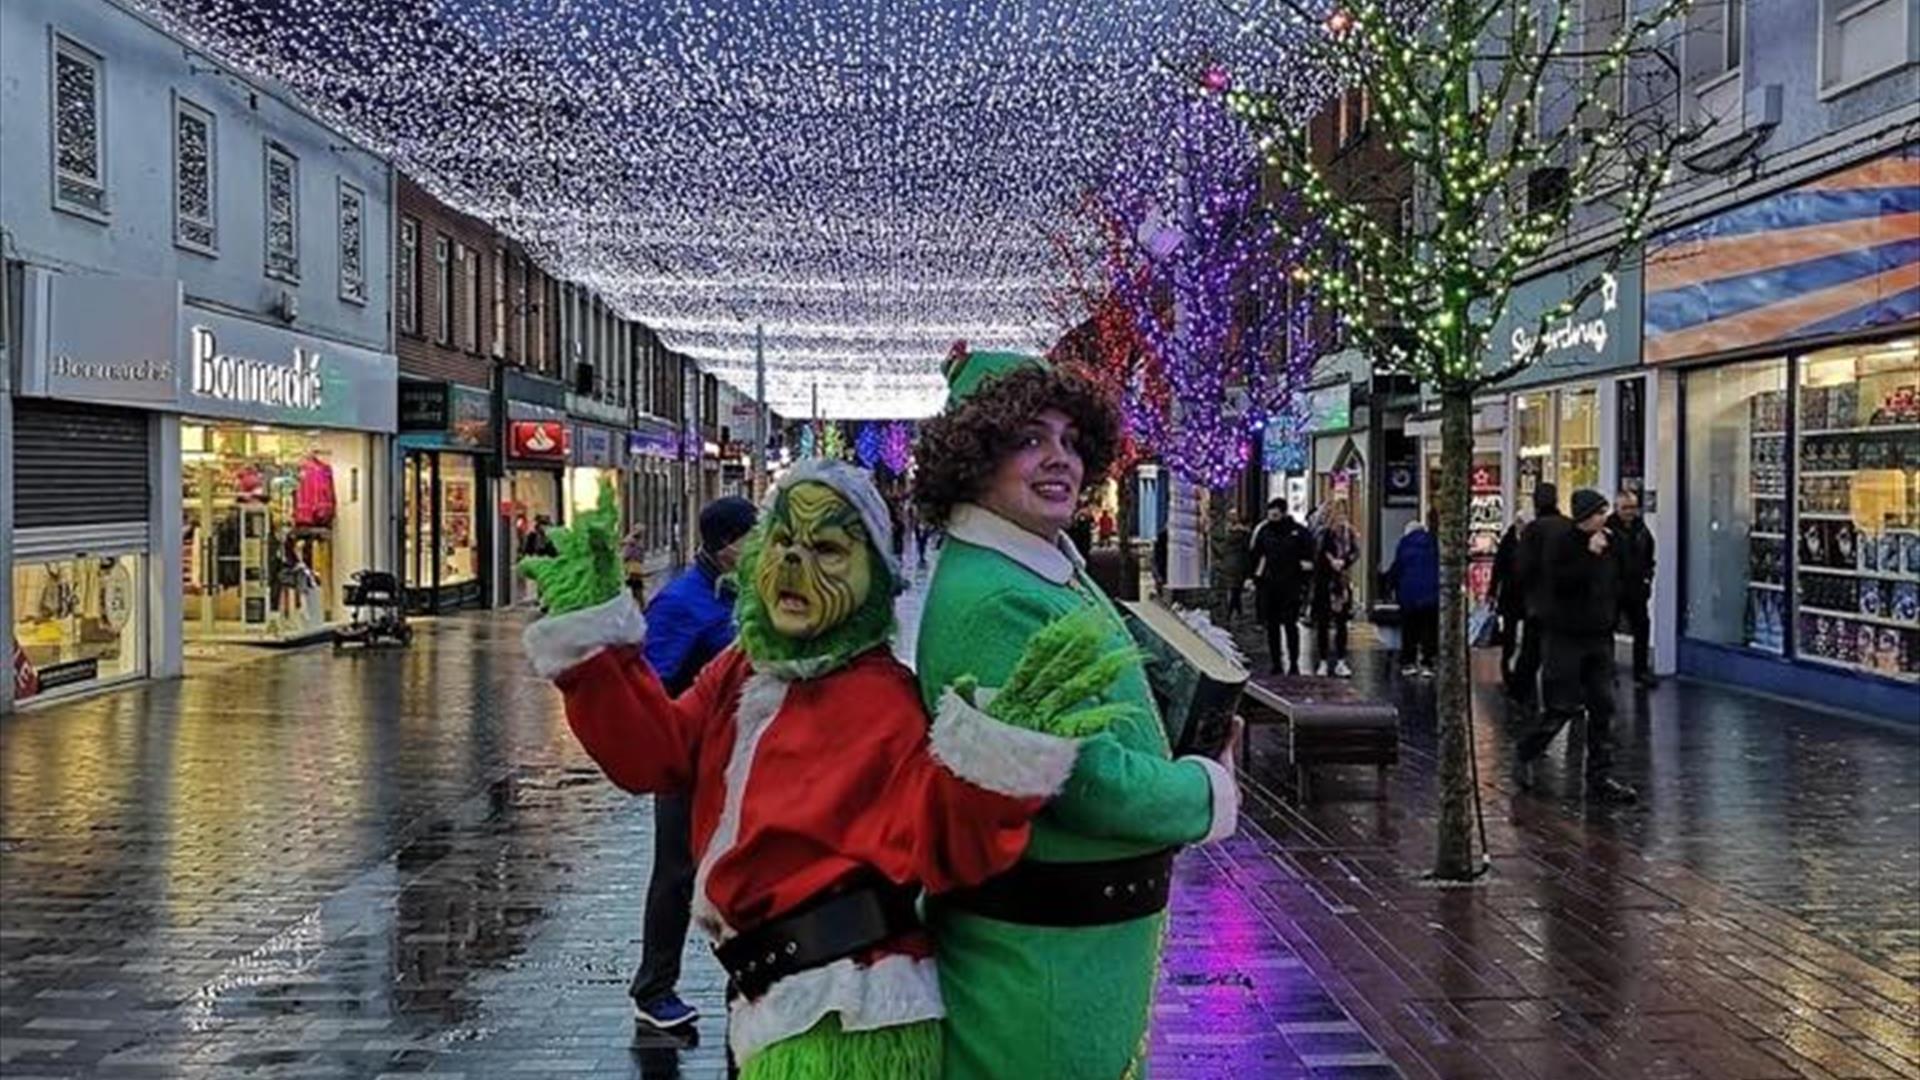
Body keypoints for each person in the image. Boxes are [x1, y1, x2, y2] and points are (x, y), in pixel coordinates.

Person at [521, 464, 1112, 1078]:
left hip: (849, 1017)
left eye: (827, 547)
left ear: (875, 579)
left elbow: (947, 845)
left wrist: (998, 762)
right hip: (764, 1001)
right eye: (782, 542)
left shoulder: (885, 700)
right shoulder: (741, 670)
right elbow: (654, 754)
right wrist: (594, 645)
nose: (796, 563)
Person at [911, 349, 1240, 1079]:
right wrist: (1204, 789)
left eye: (1069, 439)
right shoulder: (999, 594)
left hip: (1073, 960)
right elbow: (1079, 781)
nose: (1059, 458)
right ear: (973, 458)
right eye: (1029, 439)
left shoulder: (1033, 562)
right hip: (1042, 971)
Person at [624, 495, 756, 1033]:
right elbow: (649, 686)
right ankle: (653, 990)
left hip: (738, 762)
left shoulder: (742, 594)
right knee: (677, 873)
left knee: (744, 873)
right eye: (754, 537)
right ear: (727, 545)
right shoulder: (682, 602)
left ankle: (748, 983)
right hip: (690, 761)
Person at [1517, 488, 1637, 803]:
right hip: (1565, 635)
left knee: (1603, 705)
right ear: (1585, 516)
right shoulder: (1563, 543)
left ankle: (1600, 775)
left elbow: (1624, 574)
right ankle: (1527, 752)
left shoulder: (1611, 542)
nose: (1604, 518)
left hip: (1599, 635)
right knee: (1562, 706)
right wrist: (1590, 555)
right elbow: (1560, 583)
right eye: (1599, 512)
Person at [1510, 483, 1569, 710]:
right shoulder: (1567, 527)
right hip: (1564, 603)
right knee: (1560, 653)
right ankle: (1560, 696)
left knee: (1531, 651)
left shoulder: (1533, 531)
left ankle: (1524, 694)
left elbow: (1522, 568)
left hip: (1538, 603)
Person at [1250, 498, 1313, 675]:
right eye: (1270, 515)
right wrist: (1256, 578)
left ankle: (1293, 661)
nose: (1272, 518)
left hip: (1291, 585)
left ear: (1283, 513)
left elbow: (1308, 558)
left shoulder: (1298, 533)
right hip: (1270, 586)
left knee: (1290, 624)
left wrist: (1303, 582)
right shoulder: (1264, 531)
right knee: (1272, 625)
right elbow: (1257, 555)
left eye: (1275, 514)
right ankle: (1276, 661)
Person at [1608, 489, 1657, 688]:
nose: (1629, 512)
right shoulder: (1608, 529)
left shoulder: (1641, 530)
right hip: (1614, 589)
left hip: (1636, 588)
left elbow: (1649, 556)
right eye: (1625, 508)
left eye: (1633, 507)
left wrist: (1647, 579)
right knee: (1607, 630)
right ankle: (1608, 672)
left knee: (1642, 627)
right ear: (1616, 508)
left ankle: (1641, 671)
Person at [1311, 497, 1361, 678]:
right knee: (1323, 624)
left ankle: (1341, 660)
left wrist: (1344, 562)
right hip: (1325, 583)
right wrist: (1331, 561)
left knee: (1342, 624)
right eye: (1336, 513)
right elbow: (1317, 555)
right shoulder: (1322, 534)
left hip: (1342, 583)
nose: (1340, 517)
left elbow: (1355, 553)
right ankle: (1323, 661)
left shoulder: (1349, 534)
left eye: (1342, 513)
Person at [1387, 512, 1440, 677]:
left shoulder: (1404, 545)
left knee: (1409, 630)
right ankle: (1427, 662)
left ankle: (1409, 662)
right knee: (1429, 629)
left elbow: (1397, 568)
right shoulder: (1433, 544)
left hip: (1409, 595)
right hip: (1431, 594)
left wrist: (1390, 587)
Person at [1490, 511, 1530, 684]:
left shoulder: (1531, 540)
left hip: (1528, 595)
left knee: (1528, 633)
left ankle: (1521, 668)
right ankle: (1507, 668)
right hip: (1511, 595)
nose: (1521, 525)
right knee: (1509, 635)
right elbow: (1498, 566)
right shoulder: (1508, 540)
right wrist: (1492, 591)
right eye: (1519, 522)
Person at [1214, 508, 1253, 619]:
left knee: (1234, 590)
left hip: (1228, 565)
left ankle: (1233, 612)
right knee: (1236, 590)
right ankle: (1233, 612)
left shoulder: (1228, 537)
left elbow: (1221, 550)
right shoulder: (1246, 536)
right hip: (1240, 566)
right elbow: (1250, 552)